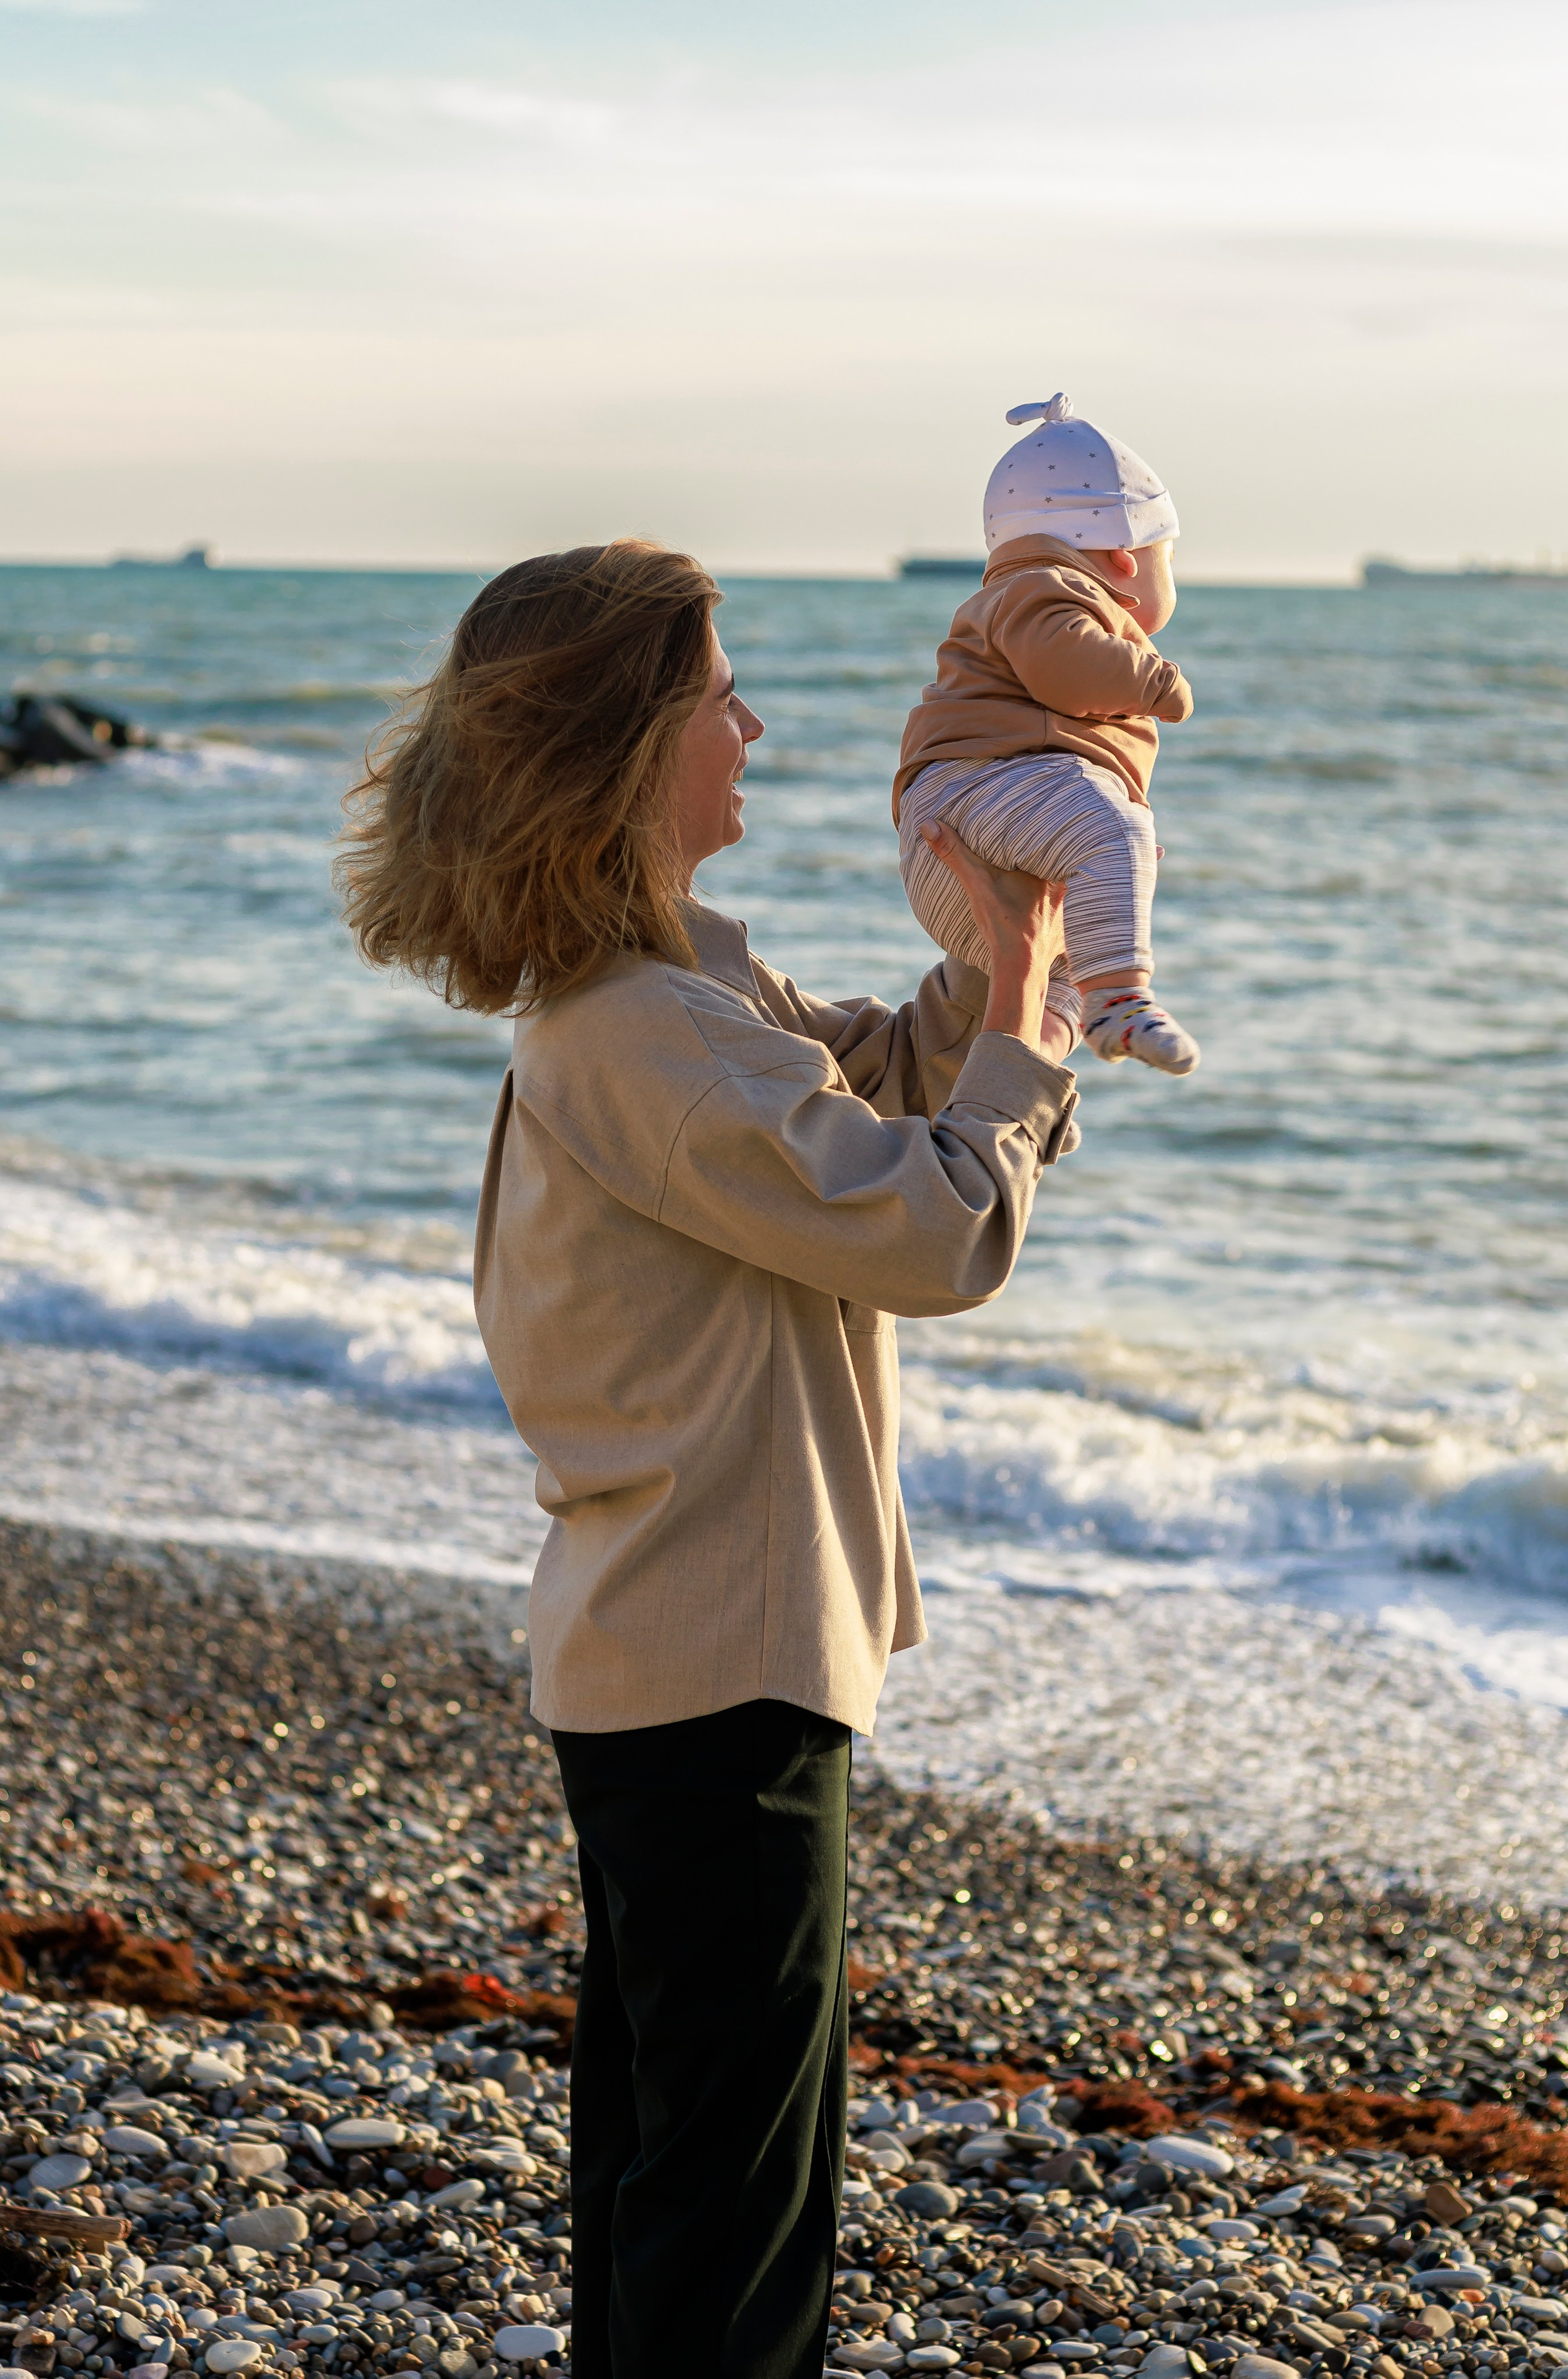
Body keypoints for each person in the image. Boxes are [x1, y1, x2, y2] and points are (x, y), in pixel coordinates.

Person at [338, 539, 1079, 2379]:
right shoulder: (648, 1037)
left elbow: (878, 1085)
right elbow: (928, 1231)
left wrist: (992, 950)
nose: (750, 723)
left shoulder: (673, 1000)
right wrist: (1045, 997)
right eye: (715, 693)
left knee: (673, 2157)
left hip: (669, 1659)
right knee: (735, 2192)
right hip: (712, 1675)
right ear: (626, 746)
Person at [896, 392, 1201, 1076]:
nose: (1170, 575)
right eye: (1167, 557)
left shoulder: (1022, 587)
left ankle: (1040, 1051)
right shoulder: (1047, 588)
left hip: (972, 839)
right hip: (977, 794)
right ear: (1122, 557)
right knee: (1114, 833)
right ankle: (1120, 1000)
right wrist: (1155, 683)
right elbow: (1065, 667)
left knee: (1074, 947)